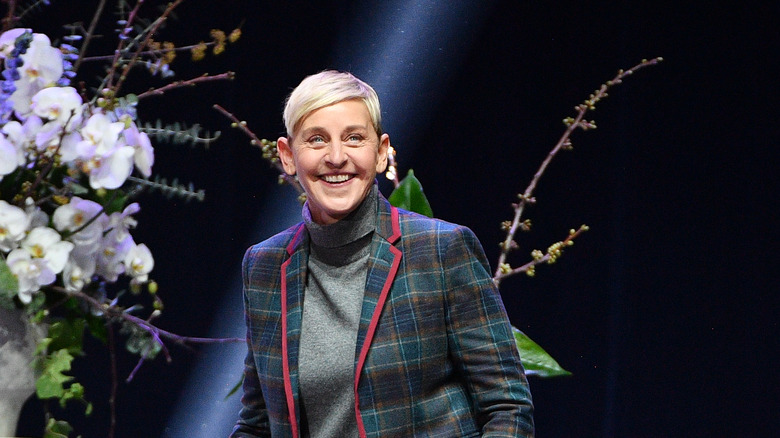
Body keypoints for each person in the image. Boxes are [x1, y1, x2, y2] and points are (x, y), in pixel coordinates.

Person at [230, 70, 534, 437]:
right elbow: (257, 426)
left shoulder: (440, 250)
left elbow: (507, 407)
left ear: (381, 152)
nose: (336, 157)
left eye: (354, 138)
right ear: (288, 155)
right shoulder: (265, 266)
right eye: (316, 140)